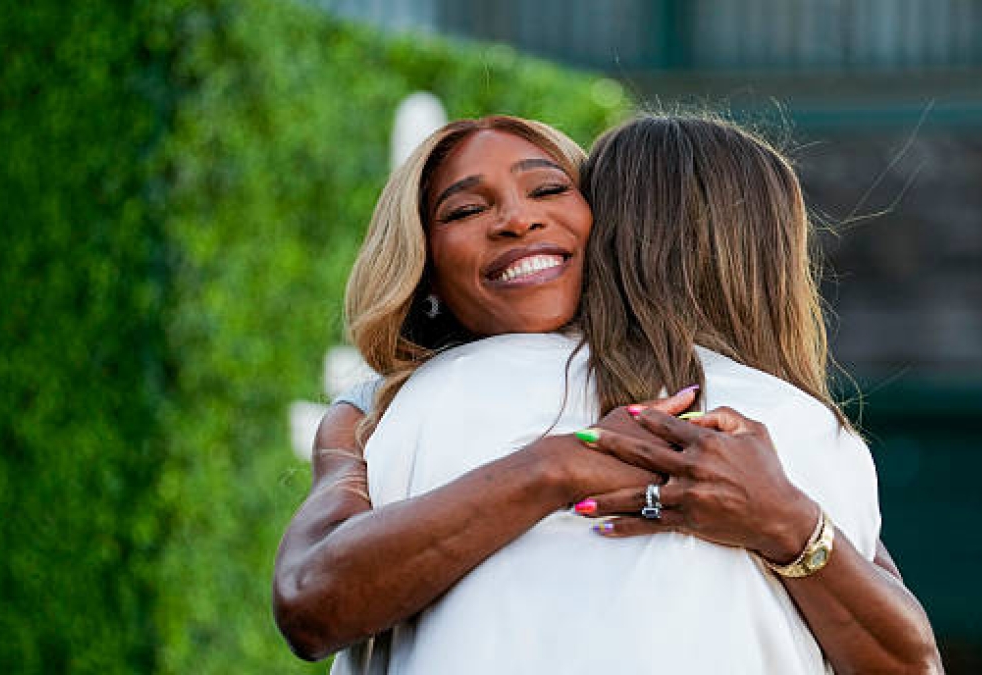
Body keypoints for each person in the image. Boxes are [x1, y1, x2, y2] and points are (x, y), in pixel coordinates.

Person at [273, 115, 940, 672]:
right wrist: (561, 463)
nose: (518, 220)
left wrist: (785, 520)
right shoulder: (388, 410)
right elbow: (309, 600)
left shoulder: (778, 432)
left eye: (549, 189)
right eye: (467, 209)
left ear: (605, 230)